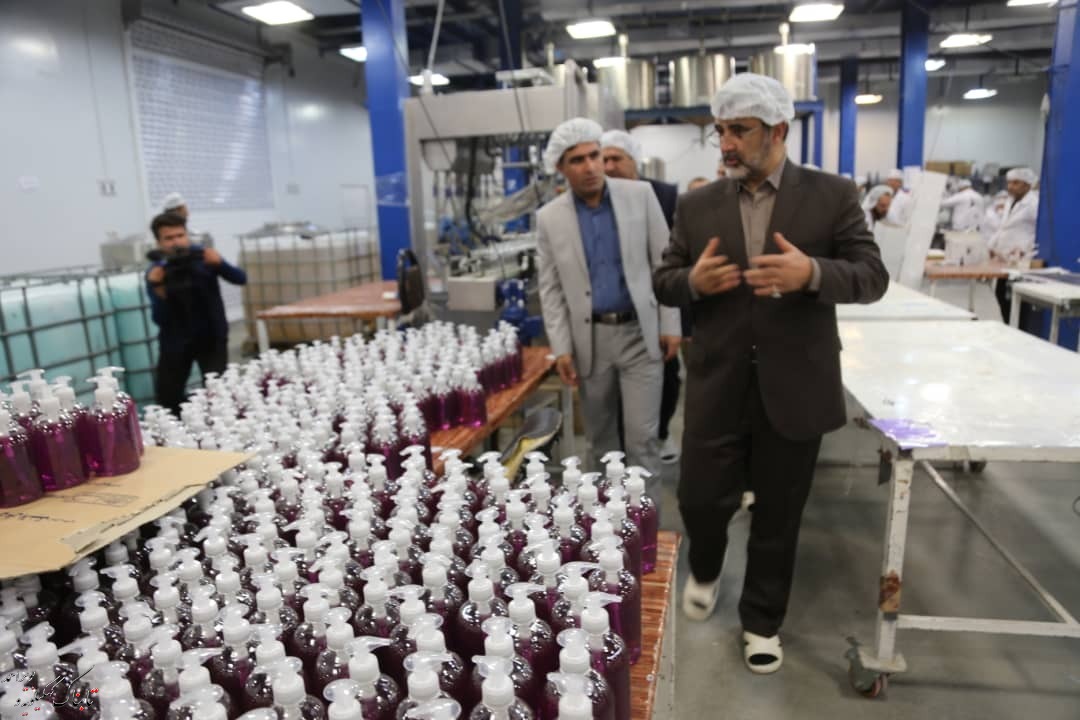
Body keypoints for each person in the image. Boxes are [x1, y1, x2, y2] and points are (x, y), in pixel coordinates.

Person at [652, 73, 888, 674]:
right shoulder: (698, 204)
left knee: (779, 514)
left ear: (778, 130)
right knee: (701, 498)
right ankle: (706, 564)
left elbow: (871, 275)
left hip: (796, 382)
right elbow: (665, 279)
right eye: (720, 130)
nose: (726, 143)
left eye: (740, 130)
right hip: (718, 381)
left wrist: (813, 274)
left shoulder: (831, 195)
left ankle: (761, 621)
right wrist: (691, 283)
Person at [536, 118, 681, 489]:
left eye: (594, 155)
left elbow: (664, 264)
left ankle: (644, 520)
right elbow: (550, 288)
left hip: (639, 334)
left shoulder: (639, 196)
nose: (590, 166)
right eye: (577, 160)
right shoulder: (550, 218)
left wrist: (671, 323)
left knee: (642, 440)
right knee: (600, 442)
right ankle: (603, 518)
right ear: (561, 168)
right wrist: (561, 348)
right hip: (591, 341)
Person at [600, 129, 685, 464]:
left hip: (659, 300)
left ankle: (661, 434)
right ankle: (624, 448)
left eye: (616, 158)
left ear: (633, 161)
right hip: (617, 309)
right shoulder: (595, 200)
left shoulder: (662, 194)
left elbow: (673, 256)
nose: (609, 166)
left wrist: (674, 319)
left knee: (668, 375)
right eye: (604, 159)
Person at [146, 212, 247, 414]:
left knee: (217, 394)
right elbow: (159, 318)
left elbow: (240, 279)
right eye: (169, 238)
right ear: (159, 243)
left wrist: (220, 263)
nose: (176, 242)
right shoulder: (157, 272)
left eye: (180, 235)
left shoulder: (204, 258)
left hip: (212, 337)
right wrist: (157, 287)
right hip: (175, 341)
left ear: (187, 235)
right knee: (167, 398)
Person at [989, 167, 1040, 327]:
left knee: (1015, 304)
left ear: (1027, 184)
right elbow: (1004, 227)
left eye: (1015, 183)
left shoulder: (1034, 204)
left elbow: (1039, 231)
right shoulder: (1010, 201)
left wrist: (1027, 249)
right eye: (1009, 183)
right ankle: (1008, 328)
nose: (1010, 187)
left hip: (1020, 260)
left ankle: (1016, 331)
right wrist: (992, 246)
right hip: (1004, 259)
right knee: (1001, 297)